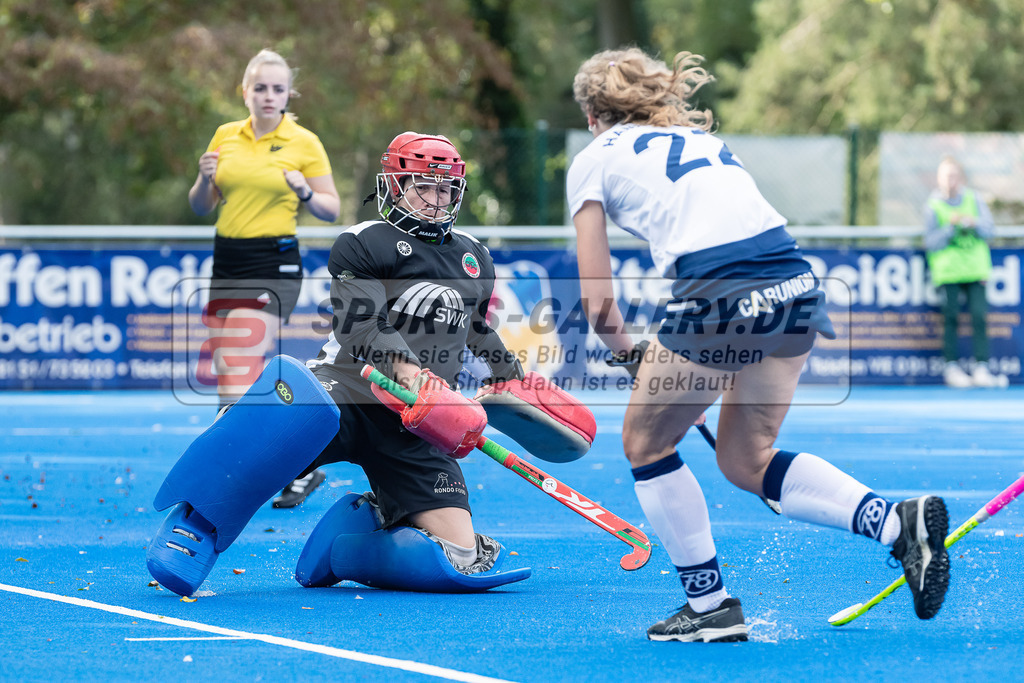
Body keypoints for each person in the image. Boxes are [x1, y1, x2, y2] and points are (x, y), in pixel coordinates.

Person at [567, 47, 951, 642]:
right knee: (747, 460)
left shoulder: (591, 159)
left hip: (720, 288)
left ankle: (710, 608)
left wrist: (627, 354)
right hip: (795, 282)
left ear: (593, 116)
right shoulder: (705, 143)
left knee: (645, 442)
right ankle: (898, 525)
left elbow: (597, 302)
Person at [148, 132, 538, 597]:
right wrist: (415, 376)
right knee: (267, 426)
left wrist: (510, 375)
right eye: (424, 187)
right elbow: (362, 327)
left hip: (417, 423)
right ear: (394, 186)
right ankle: (197, 524)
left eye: (446, 189)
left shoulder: (475, 255)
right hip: (344, 397)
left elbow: (475, 326)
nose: (437, 200)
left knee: (457, 560)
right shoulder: (362, 242)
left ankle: (345, 547)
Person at [188, 49, 340, 508]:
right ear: (245, 92)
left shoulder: (304, 141)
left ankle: (225, 478)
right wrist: (202, 179)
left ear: (288, 94)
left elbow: (331, 209)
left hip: (274, 262)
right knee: (228, 375)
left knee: (238, 367)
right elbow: (201, 206)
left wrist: (305, 190)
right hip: (227, 260)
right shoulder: (225, 136)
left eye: (277, 89)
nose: (268, 96)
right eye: (260, 88)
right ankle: (299, 467)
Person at [924, 155, 1006, 388]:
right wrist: (950, 228)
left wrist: (974, 223)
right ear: (939, 179)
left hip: (975, 269)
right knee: (950, 319)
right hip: (948, 272)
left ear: (960, 178)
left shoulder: (974, 199)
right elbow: (930, 241)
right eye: (945, 176)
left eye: (953, 176)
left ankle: (982, 368)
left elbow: (990, 230)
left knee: (979, 317)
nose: (950, 181)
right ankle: (952, 368)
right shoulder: (933, 205)